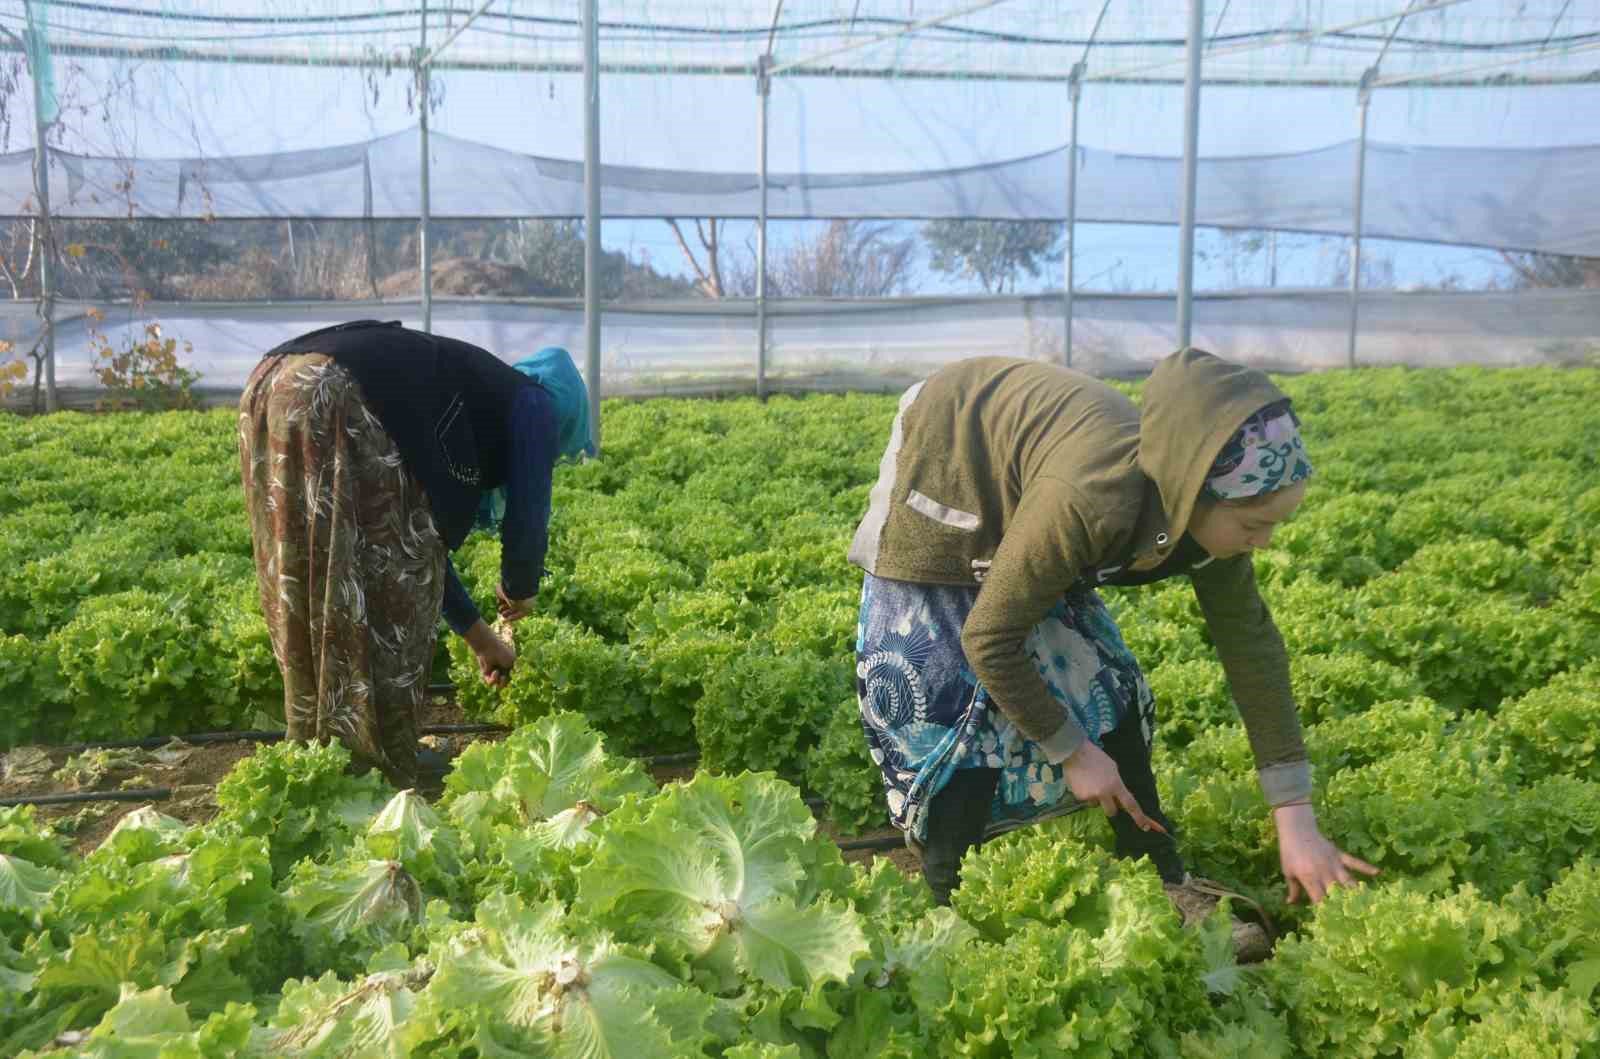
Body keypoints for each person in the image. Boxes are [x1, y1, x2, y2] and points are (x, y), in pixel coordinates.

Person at [848, 348, 1378, 907]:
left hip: (1044, 485)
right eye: (1253, 525)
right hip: (951, 446)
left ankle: (1157, 873)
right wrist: (1073, 752)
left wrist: (1293, 816)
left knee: (1106, 684)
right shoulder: (1094, 501)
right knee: (949, 700)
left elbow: (1252, 650)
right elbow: (989, 638)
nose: (1265, 541)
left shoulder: (1205, 515)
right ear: (1190, 492)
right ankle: (951, 894)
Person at [238, 320, 595, 788]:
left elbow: (417, 542)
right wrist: (519, 589)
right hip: (338, 391)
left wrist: (481, 638)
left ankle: (319, 752)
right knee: (391, 602)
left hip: (269, 386)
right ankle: (379, 764)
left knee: (304, 572)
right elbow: (528, 513)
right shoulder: (536, 402)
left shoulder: (468, 397)